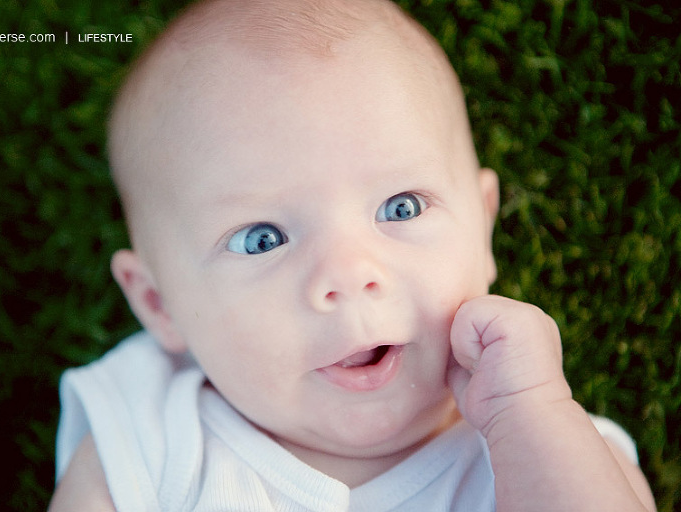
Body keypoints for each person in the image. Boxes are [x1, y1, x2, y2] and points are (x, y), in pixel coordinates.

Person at [48, 0, 656, 509]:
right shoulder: (147, 440)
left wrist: (532, 413)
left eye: (402, 208)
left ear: (484, 225)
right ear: (160, 303)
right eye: (262, 238)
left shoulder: (546, 450)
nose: (349, 274)